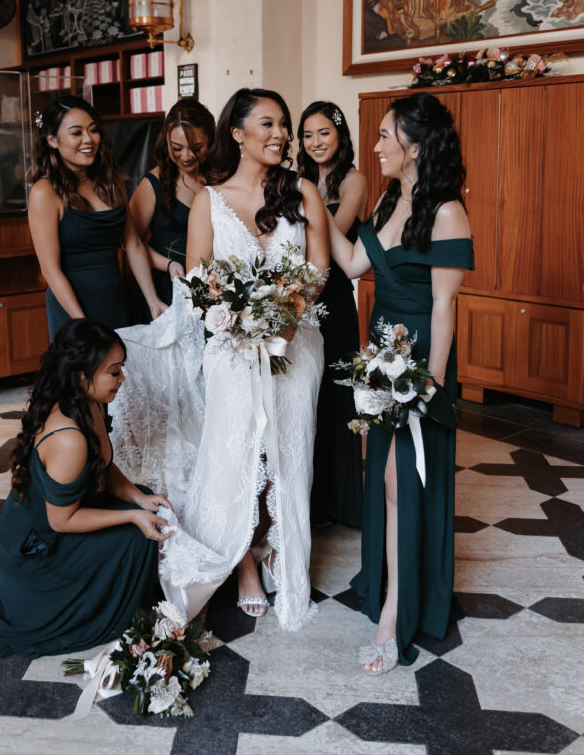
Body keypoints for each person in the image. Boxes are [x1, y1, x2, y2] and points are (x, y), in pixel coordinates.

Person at [111, 88, 329, 630]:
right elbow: (198, 280)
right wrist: (236, 318)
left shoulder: (303, 193)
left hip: (294, 346)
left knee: (290, 453)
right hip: (232, 351)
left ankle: (286, 557)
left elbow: (320, 270)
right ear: (238, 133)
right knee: (242, 453)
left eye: (284, 124)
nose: (280, 133)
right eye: (268, 123)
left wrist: (285, 311)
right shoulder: (209, 200)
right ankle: (244, 568)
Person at [327, 92, 473, 674]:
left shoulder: (447, 212)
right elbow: (355, 265)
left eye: (386, 135)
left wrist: (428, 389)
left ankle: (397, 609)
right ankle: (391, 580)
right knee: (386, 480)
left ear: (413, 145)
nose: (377, 145)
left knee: (403, 481)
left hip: (418, 367)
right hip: (379, 355)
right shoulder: (390, 200)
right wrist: (313, 201)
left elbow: (444, 308)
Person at [0, 319, 172, 658]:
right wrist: (130, 517)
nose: (122, 379)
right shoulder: (69, 438)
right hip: (37, 551)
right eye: (114, 372)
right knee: (135, 535)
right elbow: (61, 522)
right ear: (83, 376)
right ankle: (107, 609)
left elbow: (102, 464)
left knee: (141, 499)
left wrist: (137, 498)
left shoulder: (88, 401)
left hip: (55, 520)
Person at [28, 95, 166, 338]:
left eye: (93, 130)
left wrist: (153, 300)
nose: (88, 139)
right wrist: (82, 323)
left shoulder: (111, 183)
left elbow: (132, 244)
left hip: (114, 300)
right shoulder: (44, 192)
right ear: (52, 140)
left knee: (120, 373)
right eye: (76, 132)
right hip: (73, 310)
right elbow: (50, 270)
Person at [297, 100, 368, 528]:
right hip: (301, 295)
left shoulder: (353, 180)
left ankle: (340, 502)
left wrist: (305, 200)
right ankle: (310, 497)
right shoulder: (299, 179)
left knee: (337, 393)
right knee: (308, 393)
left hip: (336, 297)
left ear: (339, 135)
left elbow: (333, 234)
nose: (315, 142)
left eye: (323, 132)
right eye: (307, 134)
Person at [129, 98, 215, 321]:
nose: (186, 156)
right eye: (177, 148)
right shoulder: (152, 183)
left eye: (197, 148)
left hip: (211, 290)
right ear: (166, 140)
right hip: (164, 289)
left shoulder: (218, 179)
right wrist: (167, 264)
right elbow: (130, 244)